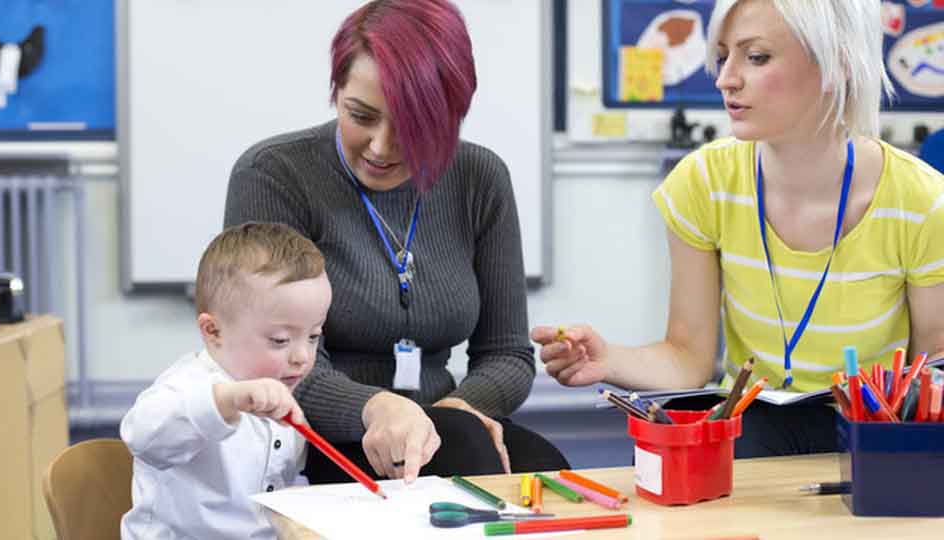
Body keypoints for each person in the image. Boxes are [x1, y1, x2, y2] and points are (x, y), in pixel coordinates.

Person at [534, 0, 944, 457]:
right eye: (724, 56)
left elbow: (930, 378)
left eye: (757, 57)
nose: (726, 78)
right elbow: (687, 360)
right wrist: (609, 359)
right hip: (753, 422)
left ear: (838, 65)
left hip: (871, 429)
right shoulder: (704, 183)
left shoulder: (923, 201)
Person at [224, 0, 568, 484]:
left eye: (411, 127)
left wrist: (455, 411)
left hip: (440, 422)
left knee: (546, 472)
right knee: (468, 458)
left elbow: (507, 355)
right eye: (360, 116)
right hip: (316, 431)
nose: (382, 147)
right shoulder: (274, 176)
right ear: (336, 92)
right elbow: (273, 363)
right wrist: (378, 408)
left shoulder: (480, 178)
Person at [121, 223, 332, 539]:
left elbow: (278, 482)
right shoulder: (187, 385)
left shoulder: (279, 386)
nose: (302, 356)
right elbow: (142, 435)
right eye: (280, 340)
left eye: (314, 336)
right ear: (213, 331)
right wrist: (227, 402)